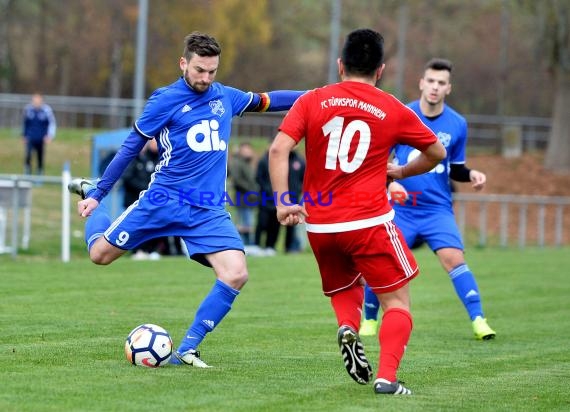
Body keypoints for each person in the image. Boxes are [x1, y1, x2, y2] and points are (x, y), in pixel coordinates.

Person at [67, 32, 305, 367]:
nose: (206, 78)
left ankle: (188, 349)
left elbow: (269, 100)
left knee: (236, 273)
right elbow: (130, 149)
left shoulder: (226, 97)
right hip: (163, 200)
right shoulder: (164, 100)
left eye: (212, 71)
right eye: (199, 70)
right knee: (99, 255)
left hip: (207, 208)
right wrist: (101, 192)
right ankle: (94, 196)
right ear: (184, 64)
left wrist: (321, 97)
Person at [268, 29, 446, 395]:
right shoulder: (392, 107)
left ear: (339, 65)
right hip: (368, 221)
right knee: (397, 301)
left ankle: (348, 326)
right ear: (380, 69)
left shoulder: (312, 100)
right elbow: (436, 154)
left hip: (319, 225)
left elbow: (277, 149)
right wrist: (400, 171)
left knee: (344, 285)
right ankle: (387, 379)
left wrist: (283, 201)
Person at [360, 58, 496, 341]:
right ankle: (369, 320)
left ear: (449, 88)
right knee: (381, 261)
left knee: (454, 259)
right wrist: (389, 185)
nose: (435, 87)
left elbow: (455, 167)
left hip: (436, 209)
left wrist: (471, 175)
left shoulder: (457, 124)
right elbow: (380, 161)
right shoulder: (399, 114)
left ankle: (479, 320)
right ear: (422, 83)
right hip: (401, 209)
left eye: (441, 83)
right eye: (431, 81)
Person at [121, 139, 164, 260]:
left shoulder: (159, 159)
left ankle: (152, 250)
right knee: (135, 226)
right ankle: (137, 250)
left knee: (154, 225)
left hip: (152, 201)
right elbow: (128, 178)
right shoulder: (135, 159)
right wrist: (145, 189)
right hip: (134, 200)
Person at [229, 141, 258, 246]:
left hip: (250, 199)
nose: (248, 152)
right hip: (242, 199)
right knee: (243, 224)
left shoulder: (248, 163)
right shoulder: (237, 162)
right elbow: (237, 180)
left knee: (248, 224)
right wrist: (251, 190)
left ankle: (247, 245)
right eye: (245, 149)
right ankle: (242, 245)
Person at [21, 93, 57, 175]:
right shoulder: (28, 109)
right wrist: (24, 135)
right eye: (34, 100)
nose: (36, 102)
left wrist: (50, 135)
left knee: (40, 157)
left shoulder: (46, 110)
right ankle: (27, 173)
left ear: (41, 101)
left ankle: (39, 174)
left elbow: (52, 123)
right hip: (30, 137)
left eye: (38, 100)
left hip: (41, 138)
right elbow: (25, 123)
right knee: (28, 155)